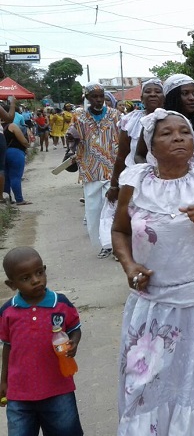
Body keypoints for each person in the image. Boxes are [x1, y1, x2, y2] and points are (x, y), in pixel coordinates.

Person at [111, 109, 194, 434]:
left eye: (184, 131)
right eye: (166, 133)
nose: (178, 138)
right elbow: (119, 230)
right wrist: (129, 265)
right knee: (145, 381)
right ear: (150, 145)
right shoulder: (135, 182)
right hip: (153, 305)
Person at [0, 247, 84, 436]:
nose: (36, 280)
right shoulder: (7, 312)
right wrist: (3, 380)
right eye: (25, 278)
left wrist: (74, 343)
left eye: (39, 272)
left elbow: (74, 329)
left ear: (45, 270)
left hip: (58, 388)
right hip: (19, 394)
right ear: (12, 284)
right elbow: (7, 346)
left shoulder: (61, 304)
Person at [66, 83, 120, 259]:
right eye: (94, 96)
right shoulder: (79, 116)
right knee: (94, 210)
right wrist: (71, 147)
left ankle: (115, 245)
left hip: (112, 168)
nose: (98, 100)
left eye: (101, 96)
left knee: (113, 209)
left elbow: (123, 138)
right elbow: (72, 137)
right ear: (87, 98)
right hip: (90, 170)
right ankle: (103, 244)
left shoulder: (114, 115)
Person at [135, 74, 194, 172]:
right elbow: (139, 155)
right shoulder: (154, 121)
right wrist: (151, 175)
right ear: (172, 97)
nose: (192, 98)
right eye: (185, 93)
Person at [109, 78, 165, 205]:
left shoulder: (172, 119)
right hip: (135, 180)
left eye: (157, 91)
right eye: (148, 91)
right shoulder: (130, 121)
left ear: (164, 97)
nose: (152, 94)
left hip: (166, 180)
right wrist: (114, 185)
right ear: (141, 98)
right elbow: (122, 156)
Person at [2, 112, 31, 205]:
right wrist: (27, 145)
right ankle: (19, 199)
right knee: (15, 176)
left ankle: (7, 198)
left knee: (5, 176)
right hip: (15, 152)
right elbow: (24, 141)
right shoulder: (12, 126)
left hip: (2, 153)